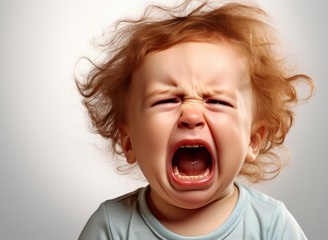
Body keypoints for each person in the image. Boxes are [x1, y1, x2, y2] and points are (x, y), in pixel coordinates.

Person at [77, 0, 314, 239]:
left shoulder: (271, 227)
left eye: (217, 101)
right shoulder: (111, 227)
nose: (191, 116)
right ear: (129, 142)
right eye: (166, 100)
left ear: (252, 140)